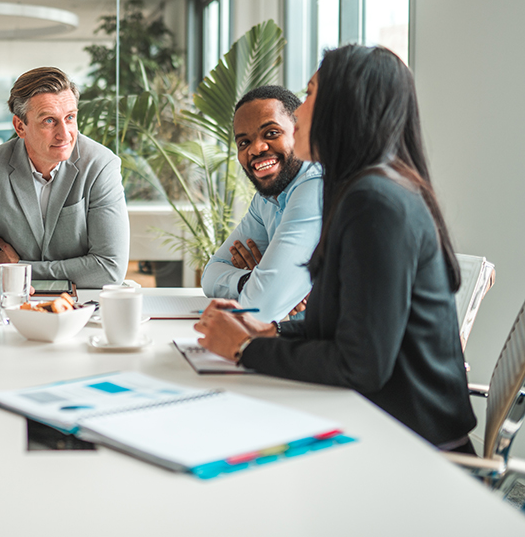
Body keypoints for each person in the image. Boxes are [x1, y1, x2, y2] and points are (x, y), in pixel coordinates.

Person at [194, 45, 477, 453]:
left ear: (344, 109)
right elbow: (353, 323)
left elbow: (360, 364)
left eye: (309, 95)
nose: (300, 111)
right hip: (383, 424)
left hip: (414, 450)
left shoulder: (374, 201)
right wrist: (271, 330)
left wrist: (246, 349)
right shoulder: (364, 190)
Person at [0, 67, 129, 302]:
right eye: (49, 121)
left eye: (70, 117)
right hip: (11, 304)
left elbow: (109, 267)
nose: (65, 134)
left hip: (84, 306)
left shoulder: (101, 165)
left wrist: (19, 268)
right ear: (20, 126)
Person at [200, 86, 323, 322]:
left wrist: (268, 288)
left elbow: (259, 308)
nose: (256, 149)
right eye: (244, 142)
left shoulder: (316, 186)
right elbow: (210, 274)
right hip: (297, 342)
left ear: (300, 131)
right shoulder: (266, 199)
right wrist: (251, 280)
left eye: (271, 133)